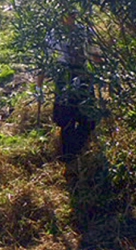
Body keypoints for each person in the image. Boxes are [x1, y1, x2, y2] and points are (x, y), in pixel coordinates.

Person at [37, 12, 96, 162]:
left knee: (88, 118)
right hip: (64, 78)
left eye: (72, 13)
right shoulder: (54, 35)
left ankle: (81, 154)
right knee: (66, 120)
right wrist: (39, 86)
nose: (70, 17)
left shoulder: (84, 32)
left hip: (82, 76)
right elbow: (45, 60)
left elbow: (95, 55)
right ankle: (69, 158)